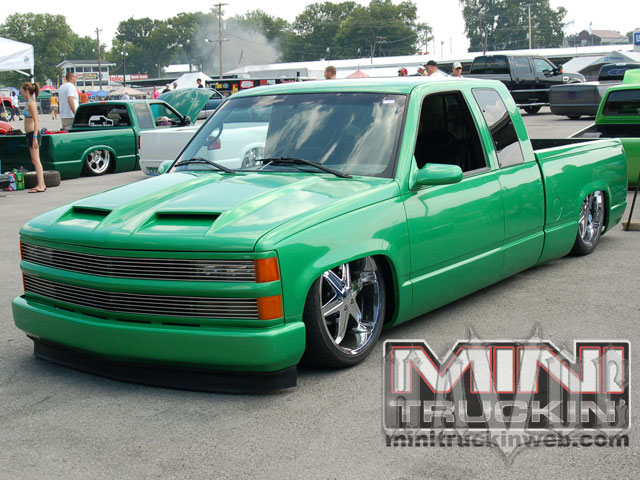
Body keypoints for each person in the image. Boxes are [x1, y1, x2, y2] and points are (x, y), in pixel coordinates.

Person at [21, 82, 46, 193]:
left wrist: (35, 137)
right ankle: (42, 184)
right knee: (35, 160)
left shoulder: (31, 104)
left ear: (27, 91)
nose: (21, 92)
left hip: (33, 134)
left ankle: (40, 185)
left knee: (36, 160)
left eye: (22, 90)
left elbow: (36, 120)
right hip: (30, 133)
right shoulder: (28, 103)